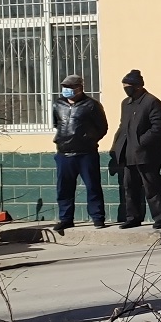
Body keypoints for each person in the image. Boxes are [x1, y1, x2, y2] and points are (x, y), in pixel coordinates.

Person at [108, 69, 161, 229]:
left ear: (137, 86)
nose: (125, 89)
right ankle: (133, 218)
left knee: (152, 186)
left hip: (146, 154)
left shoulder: (151, 102)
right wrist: (116, 146)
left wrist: (141, 142)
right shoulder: (126, 103)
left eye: (127, 86)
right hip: (128, 153)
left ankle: (160, 218)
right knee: (130, 187)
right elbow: (123, 126)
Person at [52, 74, 109, 234]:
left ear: (79, 88)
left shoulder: (91, 105)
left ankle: (97, 218)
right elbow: (56, 124)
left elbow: (102, 127)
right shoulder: (58, 104)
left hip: (86, 154)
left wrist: (88, 139)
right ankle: (66, 219)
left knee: (92, 186)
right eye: (65, 87)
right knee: (64, 188)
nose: (67, 90)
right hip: (64, 154)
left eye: (70, 87)